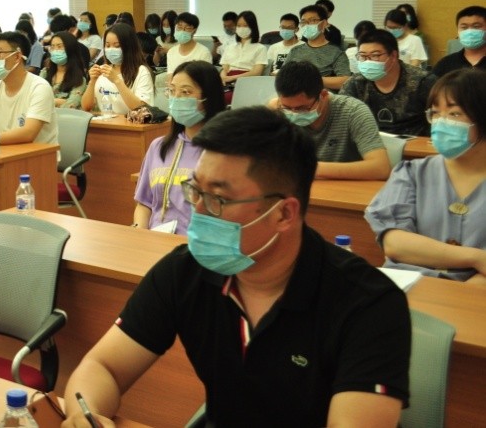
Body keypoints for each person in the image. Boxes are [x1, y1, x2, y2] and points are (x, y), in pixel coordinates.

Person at [62, 107, 411, 428]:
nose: (197, 211)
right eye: (195, 191)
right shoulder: (185, 271)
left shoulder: (368, 304)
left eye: (218, 199)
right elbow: (103, 367)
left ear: (283, 213)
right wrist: (84, 414)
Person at [364, 69, 486, 282]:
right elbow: (395, 243)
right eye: (435, 113)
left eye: (454, 114)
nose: (441, 122)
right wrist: (476, 258)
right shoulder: (412, 173)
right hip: (410, 287)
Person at [133, 61, 226, 234]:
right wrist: (139, 234)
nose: (176, 98)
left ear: (208, 98)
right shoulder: (158, 146)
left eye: (186, 92)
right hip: (155, 240)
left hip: (197, 244)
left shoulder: (224, 153)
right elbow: (144, 204)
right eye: (172, 90)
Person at [273, 61, 390, 180]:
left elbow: (381, 168)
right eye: (287, 108)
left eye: (302, 108)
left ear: (323, 95)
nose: (294, 114)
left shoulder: (353, 112)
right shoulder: (276, 110)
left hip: (345, 187)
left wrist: (310, 168)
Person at [0, 31, 58, 147]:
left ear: (17, 56)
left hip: (37, 155)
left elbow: (29, 133)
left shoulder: (39, 88)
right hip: (4, 152)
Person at [340, 30, 435, 136]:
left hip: (415, 142)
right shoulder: (356, 83)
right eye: (362, 56)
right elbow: (340, 118)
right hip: (369, 141)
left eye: (375, 55)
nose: (368, 61)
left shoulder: (422, 81)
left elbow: (440, 119)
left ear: (393, 56)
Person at [81, 23, 153, 115]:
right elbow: (86, 107)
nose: (111, 49)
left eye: (117, 46)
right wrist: (92, 82)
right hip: (105, 121)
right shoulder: (102, 70)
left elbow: (140, 108)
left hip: (130, 122)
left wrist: (117, 80)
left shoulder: (141, 71)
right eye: (107, 46)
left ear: (129, 47)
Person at [285, 4, 351, 90]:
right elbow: (283, 76)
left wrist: (312, 80)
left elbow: (345, 81)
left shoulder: (336, 53)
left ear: (324, 23)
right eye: (304, 22)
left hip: (321, 94)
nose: (307, 25)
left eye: (312, 20)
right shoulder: (295, 51)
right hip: (294, 93)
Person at [433, 5, 486, 77]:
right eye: (464, 27)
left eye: (476, 26)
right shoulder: (446, 63)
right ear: (458, 31)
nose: (469, 31)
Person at [219, 10, 268, 87]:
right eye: (238, 26)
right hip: (228, 81)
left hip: (247, 81)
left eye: (245, 26)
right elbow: (224, 69)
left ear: (252, 27)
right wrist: (223, 77)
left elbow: (256, 72)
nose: (241, 28)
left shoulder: (260, 48)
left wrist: (233, 78)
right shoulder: (230, 47)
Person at [43, 32, 89, 110]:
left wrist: (50, 102)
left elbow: (72, 104)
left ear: (70, 49)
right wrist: (59, 101)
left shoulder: (78, 79)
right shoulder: (45, 73)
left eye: (59, 47)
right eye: (52, 47)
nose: (55, 50)